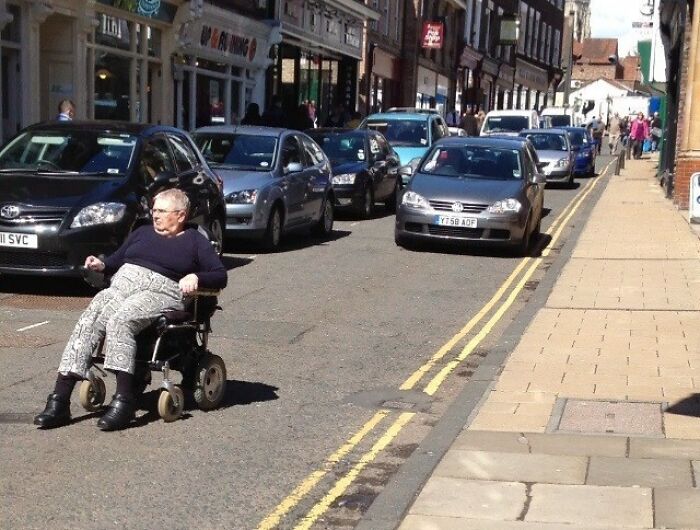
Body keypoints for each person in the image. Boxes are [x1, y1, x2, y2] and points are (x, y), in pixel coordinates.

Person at [33, 189, 227, 431]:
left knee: (121, 320)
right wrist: (101, 264)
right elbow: (116, 260)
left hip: (160, 292)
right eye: (154, 210)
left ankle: (124, 400)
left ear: (180, 215)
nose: (155, 215)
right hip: (122, 286)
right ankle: (59, 401)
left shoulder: (194, 240)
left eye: (162, 211)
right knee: (89, 318)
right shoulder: (142, 232)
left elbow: (220, 275)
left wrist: (196, 276)